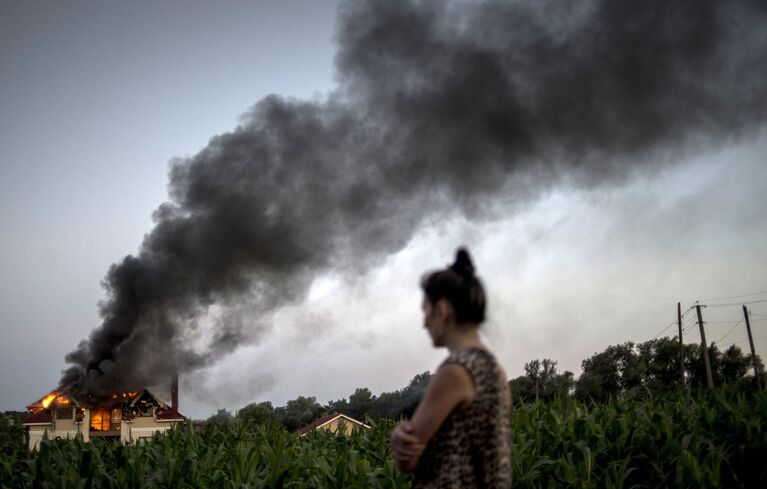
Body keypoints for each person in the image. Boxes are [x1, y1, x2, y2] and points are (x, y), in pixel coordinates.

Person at [390, 248, 512, 488]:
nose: (424, 322)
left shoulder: (455, 371)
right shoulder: (496, 370)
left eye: (426, 311)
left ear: (442, 311)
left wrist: (397, 438)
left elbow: (406, 461)